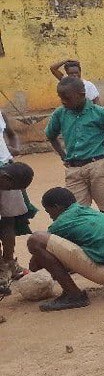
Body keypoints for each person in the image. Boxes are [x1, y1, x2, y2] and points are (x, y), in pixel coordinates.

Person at [26, 186, 104, 312]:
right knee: (100, 236)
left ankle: (73, 295)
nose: (51, 217)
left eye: (49, 212)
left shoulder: (61, 223)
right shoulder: (88, 211)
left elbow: (34, 266)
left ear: (57, 207)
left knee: (36, 240)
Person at [45, 77, 104, 217]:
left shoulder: (100, 112)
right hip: (74, 170)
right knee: (75, 212)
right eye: (61, 98)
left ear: (82, 95)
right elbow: (50, 135)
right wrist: (63, 155)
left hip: (99, 167)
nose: (63, 101)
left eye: (67, 98)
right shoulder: (60, 113)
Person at [0, 159, 35, 294]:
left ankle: (9, 264)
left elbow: (8, 221)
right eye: (10, 188)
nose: (10, 191)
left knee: (8, 220)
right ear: (5, 178)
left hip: (5, 165)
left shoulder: (7, 181)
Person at [0, 111, 26, 284]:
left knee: (9, 220)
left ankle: (9, 261)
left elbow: (11, 133)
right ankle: (1, 268)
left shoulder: (0, 113)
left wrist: (14, 149)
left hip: (6, 171)